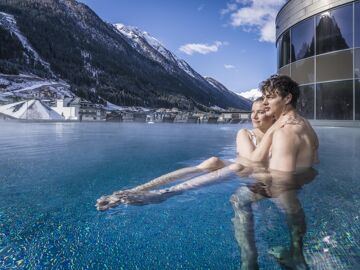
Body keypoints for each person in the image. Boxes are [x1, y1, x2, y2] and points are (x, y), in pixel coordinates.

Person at [96, 97, 275, 210]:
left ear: (273, 114)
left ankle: (166, 192)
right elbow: (251, 161)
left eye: (261, 112)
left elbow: (254, 165)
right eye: (252, 111)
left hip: (250, 173)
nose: (254, 116)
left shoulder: (280, 136)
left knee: (236, 165)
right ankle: (137, 189)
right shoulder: (245, 133)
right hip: (241, 169)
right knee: (212, 161)